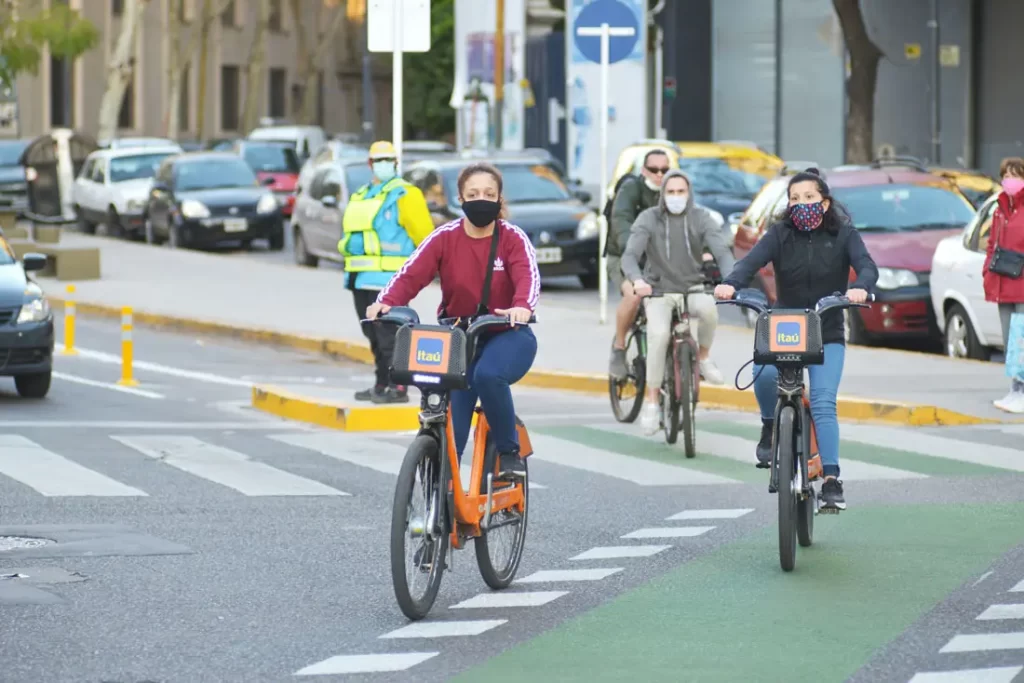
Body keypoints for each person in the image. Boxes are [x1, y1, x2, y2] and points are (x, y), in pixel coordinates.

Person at [714, 168, 878, 512]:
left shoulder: (844, 235)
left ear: (825, 202)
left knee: (821, 401)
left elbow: (867, 267)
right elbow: (750, 263)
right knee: (765, 371)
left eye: (809, 198)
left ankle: (832, 480)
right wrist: (731, 283)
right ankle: (770, 426)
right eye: (794, 199)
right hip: (786, 327)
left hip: (827, 327)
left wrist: (861, 287)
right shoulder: (779, 234)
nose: (801, 204)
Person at [367, 162, 540, 478]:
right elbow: (410, 274)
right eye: (473, 193)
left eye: (489, 193)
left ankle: (508, 452)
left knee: (487, 376)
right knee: (448, 420)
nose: (481, 199)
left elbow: (528, 276)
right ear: (460, 199)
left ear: (500, 200)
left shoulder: (512, 237)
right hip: (458, 338)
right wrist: (386, 303)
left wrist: (522, 307)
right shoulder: (444, 237)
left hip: (507, 333)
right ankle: (443, 499)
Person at [621, 169, 733, 434]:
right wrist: (637, 280)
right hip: (658, 290)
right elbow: (629, 256)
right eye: (670, 192)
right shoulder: (648, 218)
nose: (675, 197)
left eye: (681, 192)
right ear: (662, 194)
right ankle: (651, 401)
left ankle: (703, 357)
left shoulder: (701, 218)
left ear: (689, 193)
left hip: (693, 286)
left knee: (709, 312)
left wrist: (731, 281)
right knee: (658, 336)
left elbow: (721, 251)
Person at [339, 141, 434, 404]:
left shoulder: (406, 194)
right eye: (379, 160)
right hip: (360, 278)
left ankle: (398, 387)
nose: (384, 165)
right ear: (370, 164)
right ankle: (382, 383)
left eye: (389, 160)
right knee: (372, 335)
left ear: (396, 163)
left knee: (389, 336)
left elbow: (426, 238)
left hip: (390, 280)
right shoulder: (362, 194)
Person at [608, 148, 672, 379]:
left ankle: (684, 357)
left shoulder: (673, 191)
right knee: (634, 295)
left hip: (659, 261)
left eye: (664, 170)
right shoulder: (631, 189)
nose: (659, 174)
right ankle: (619, 346)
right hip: (623, 257)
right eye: (654, 169)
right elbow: (621, 221)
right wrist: (633, 250)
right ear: (644, 170)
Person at [984, 157, 1024, 414]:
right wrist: (986, 271)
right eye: (1006, 175)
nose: (1010, 179)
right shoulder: (999, 208)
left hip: (1021, 281)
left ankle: (1022, 389)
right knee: (1011, 338)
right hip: (1002, 278)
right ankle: (1015, 388)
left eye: (1016, 174)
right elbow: (991, 244)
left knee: (1022, 337)